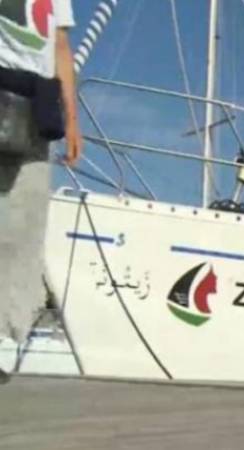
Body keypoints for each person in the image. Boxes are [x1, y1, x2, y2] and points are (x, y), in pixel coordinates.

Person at [0, 0, 82, 378]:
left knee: (26, 228)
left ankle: (6, 333)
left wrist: (72, 120)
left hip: (37, 107)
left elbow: (60, 47)